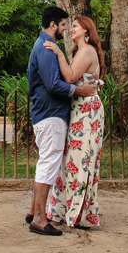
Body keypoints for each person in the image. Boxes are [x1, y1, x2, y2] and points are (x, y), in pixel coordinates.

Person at [26, 6, 96, 237]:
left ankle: (33, 211)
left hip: (48, 114)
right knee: (48, 163)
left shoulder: (46, 46)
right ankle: (39, 218)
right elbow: (53, 85)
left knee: (45, 162)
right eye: (64, 25)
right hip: (51, 114)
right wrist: (79, 90)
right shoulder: (46, 49)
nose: (66, 29)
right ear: (53, 25)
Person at [41, 14, 105, 230]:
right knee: (71, 161)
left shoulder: (86, 51)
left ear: (86, 31)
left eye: (75, 26)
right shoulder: (80, 51)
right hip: (79, 111)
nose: (71, 29)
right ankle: (64, 211)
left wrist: (58, 52)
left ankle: (78, 214)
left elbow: (69, 77)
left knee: (81, 161)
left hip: (87, 113)